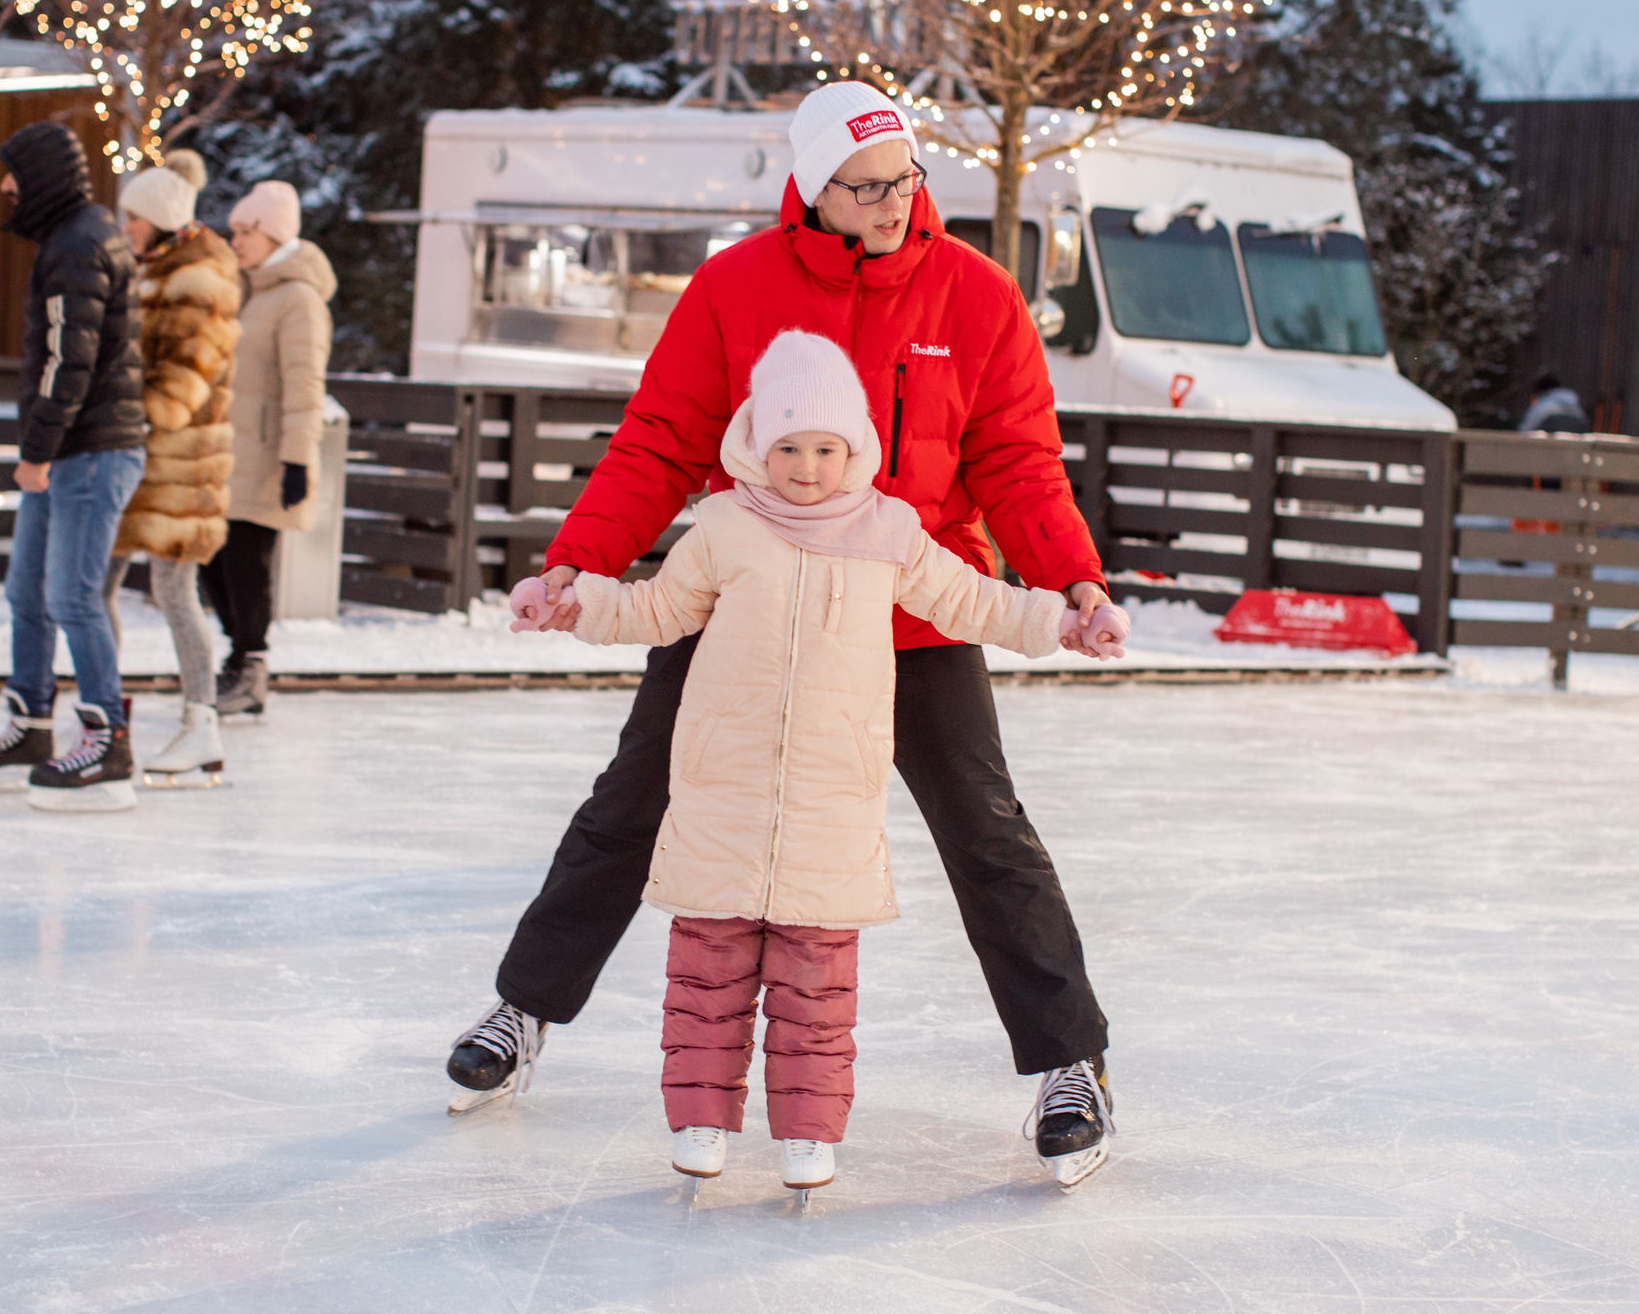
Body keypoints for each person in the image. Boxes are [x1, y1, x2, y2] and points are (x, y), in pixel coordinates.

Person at [446, 82, 1130, 1188]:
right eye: (867, 188)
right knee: (631, 805)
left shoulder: (976, 294)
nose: (895, 203)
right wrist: (580, 560)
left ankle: (1070, 1065)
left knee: (986, 832)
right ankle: (520, 1012)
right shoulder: (735, 288)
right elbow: (660, 440)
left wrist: (1072, 581)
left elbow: (1016, 460)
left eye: (905, 179)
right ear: (814, 190)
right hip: (744, 605)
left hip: (908, 607)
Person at [519, 330, 1123, 1197]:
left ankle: (809, 1131)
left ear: (856, 448)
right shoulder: (724, 526)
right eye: (789, 447)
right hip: (727, 787)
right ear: (757, 445)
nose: (806, 468)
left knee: (817, 973)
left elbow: (970, 601)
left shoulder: (889, 531)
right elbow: (655, 609)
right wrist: (574, 599)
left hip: (832, 793)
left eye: (825, 449)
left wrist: (1062, 618)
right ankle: (698, 1117)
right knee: (707, 964)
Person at [0, 120, 148, 810]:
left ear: (42, 179)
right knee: (27, 592)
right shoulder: (74, 237)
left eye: (13, 174)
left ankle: (108, 741)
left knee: (73, 597)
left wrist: (37, 451)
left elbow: (70, 362)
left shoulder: (79, 244)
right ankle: (30, 727)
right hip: (72, 448)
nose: (5, 187)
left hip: (89, 450)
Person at [101, 149, 242, 785]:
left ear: (159, 217)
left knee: (173, 590)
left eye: (133, 216)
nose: (125, 226)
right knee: (96, 588)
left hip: (180, 465)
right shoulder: (150, 265)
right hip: (134, 456)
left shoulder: (201, 275)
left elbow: (187, 374)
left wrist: (136, 416)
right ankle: (104, 713)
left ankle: (201, 721)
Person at [209, 179, 336, 720]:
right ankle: (239, 656)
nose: (235, 241)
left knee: (246, 566)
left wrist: (296, 460)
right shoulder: (247, 291)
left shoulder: (298, 300)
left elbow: (305, 387)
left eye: (247, 232)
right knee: (211, 564)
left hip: (265, 458)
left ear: (275, 236)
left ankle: (251, 666)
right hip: (226, 456)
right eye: (234, 231)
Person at [1519, 373, 1591, 434]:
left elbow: (1526, 430)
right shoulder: (1575, 407)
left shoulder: (1543, 403)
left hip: (1548, 444)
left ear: (1540, 392)